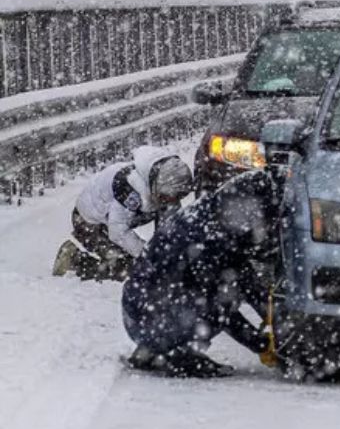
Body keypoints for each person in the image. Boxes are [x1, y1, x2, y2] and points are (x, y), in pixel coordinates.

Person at [121, 169, 280, 377]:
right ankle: (179, 356)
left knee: (225, 285)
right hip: (147, 317)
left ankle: (155, 349)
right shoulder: (205, 239)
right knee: (221, 300)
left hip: (144, 312)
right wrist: (261, 344)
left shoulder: (213, 215)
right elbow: (222, 307)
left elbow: (243, 274)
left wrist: (272, 314)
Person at [52, 147, 193, 281]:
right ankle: (74, 259)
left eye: (179, 196)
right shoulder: (127, 188)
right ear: (158, 187)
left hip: (116, 219)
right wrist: (150, 256)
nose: (172, 201)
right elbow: (118, 233)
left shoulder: (161, 184)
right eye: (168, 196)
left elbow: (170, 228)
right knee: (128, 268)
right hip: (89, 222)